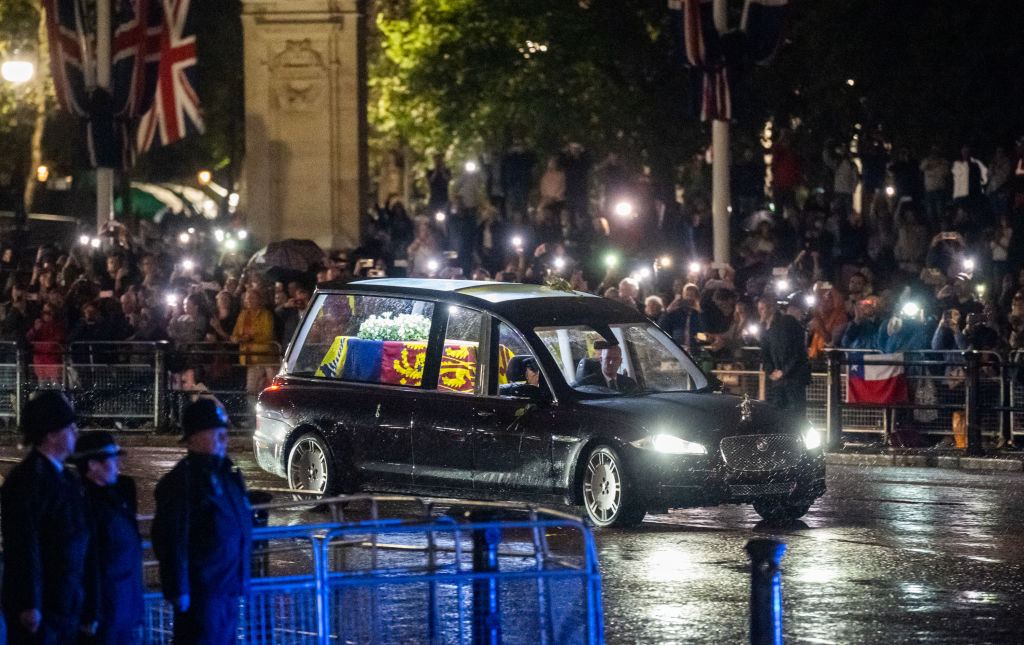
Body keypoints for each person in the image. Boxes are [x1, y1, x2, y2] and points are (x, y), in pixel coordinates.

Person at [152, 399, 252, 645]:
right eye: (216, 433)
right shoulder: (181, 482)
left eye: (224, 432)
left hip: (228, 589)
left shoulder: (228, 475)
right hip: (202, 595)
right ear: (194, 437)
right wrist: (179, 589)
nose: (224, 439)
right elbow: (171, 540)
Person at [1, 391, 92, 644]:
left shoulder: (63, 477)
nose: (76, 432)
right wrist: (30, 602)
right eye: (70, 427)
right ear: (51, 434)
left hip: (63, 599)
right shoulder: (28, 480)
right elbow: (23, 544)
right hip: (44, 606)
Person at [74, 431, 144, 645]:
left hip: (122, 607)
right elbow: (89, 562)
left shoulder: (116, 497)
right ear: (93, 465)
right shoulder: (85, 506)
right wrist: (90, 613)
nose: (118, 466)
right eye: (112, 459)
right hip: (106, 613)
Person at [757, 296, 811, 420]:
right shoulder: (767, 329)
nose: (760, 313)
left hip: (793, 377)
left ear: (771, 308)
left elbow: (797, 351)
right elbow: (764, 354)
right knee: (780, 413)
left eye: (763, 309)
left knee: (794, 414)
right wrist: (771, 371)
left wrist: (783, 371)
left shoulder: (787, 323)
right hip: (780, 379)